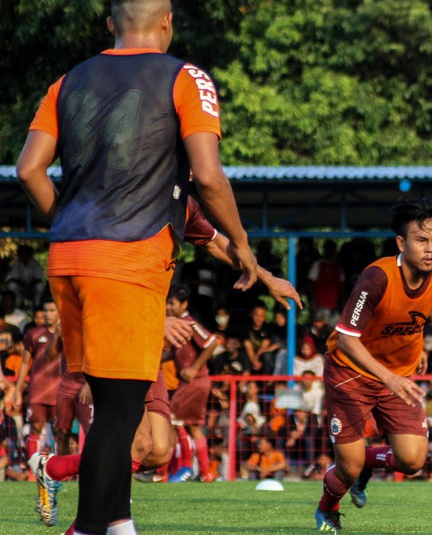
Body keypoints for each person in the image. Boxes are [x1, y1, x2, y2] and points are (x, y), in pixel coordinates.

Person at [15, 1, 257, 533]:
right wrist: (241, 243)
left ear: (110, 24)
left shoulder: (68, 80)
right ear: (168, 21)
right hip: (128, 258)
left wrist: (70, 224)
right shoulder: (185, 77)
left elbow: (29, 169)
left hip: (68, 257)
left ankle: (120, 523)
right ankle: (85, 529)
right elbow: (210, 179)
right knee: (122, 416)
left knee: (108, 401)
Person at [27, 198, 299, 528]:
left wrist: (267, 278)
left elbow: (217, 243)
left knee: (158, 451)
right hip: (117, 336)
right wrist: (152, 323)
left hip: (147, 342)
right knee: (136, 446)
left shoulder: (180, 203)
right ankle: (84, 523)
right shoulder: (120, 202)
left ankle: (54, 467)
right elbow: (102, 283)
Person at [314, 199, 432, 534]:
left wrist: (415, 347)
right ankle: (327, 508)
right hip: (350, 373)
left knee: (414, 460)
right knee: (346, 468)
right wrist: (389, 377)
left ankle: (365, 464)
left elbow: (411, 316)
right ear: (401, 243)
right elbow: (346, 339)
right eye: (421, 241)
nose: (430, 249)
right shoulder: (376, 277)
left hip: (398, 375)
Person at [164, 285, 219, 483]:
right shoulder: (179, 324)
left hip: (194, 381)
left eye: (172, 303)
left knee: (170, 421)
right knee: (193, 426)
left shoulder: (189, 323)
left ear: (184, 305)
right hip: (193, 381)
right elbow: (176, 352)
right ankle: (206, 472)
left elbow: (213, 341)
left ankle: (176, 470)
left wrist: (194, 368)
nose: (168, 307)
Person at [10, 301, 61, 462]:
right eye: (45, 310)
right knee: (35, 429)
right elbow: (25, 363)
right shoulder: (33, 334)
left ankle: (60, 471)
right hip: (38, 390)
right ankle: (34, 469)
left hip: (60, 391)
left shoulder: (68, 333)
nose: (47, 314)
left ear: (60, 312)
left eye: (52, 310)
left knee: (60, 431)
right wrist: (18, 391)